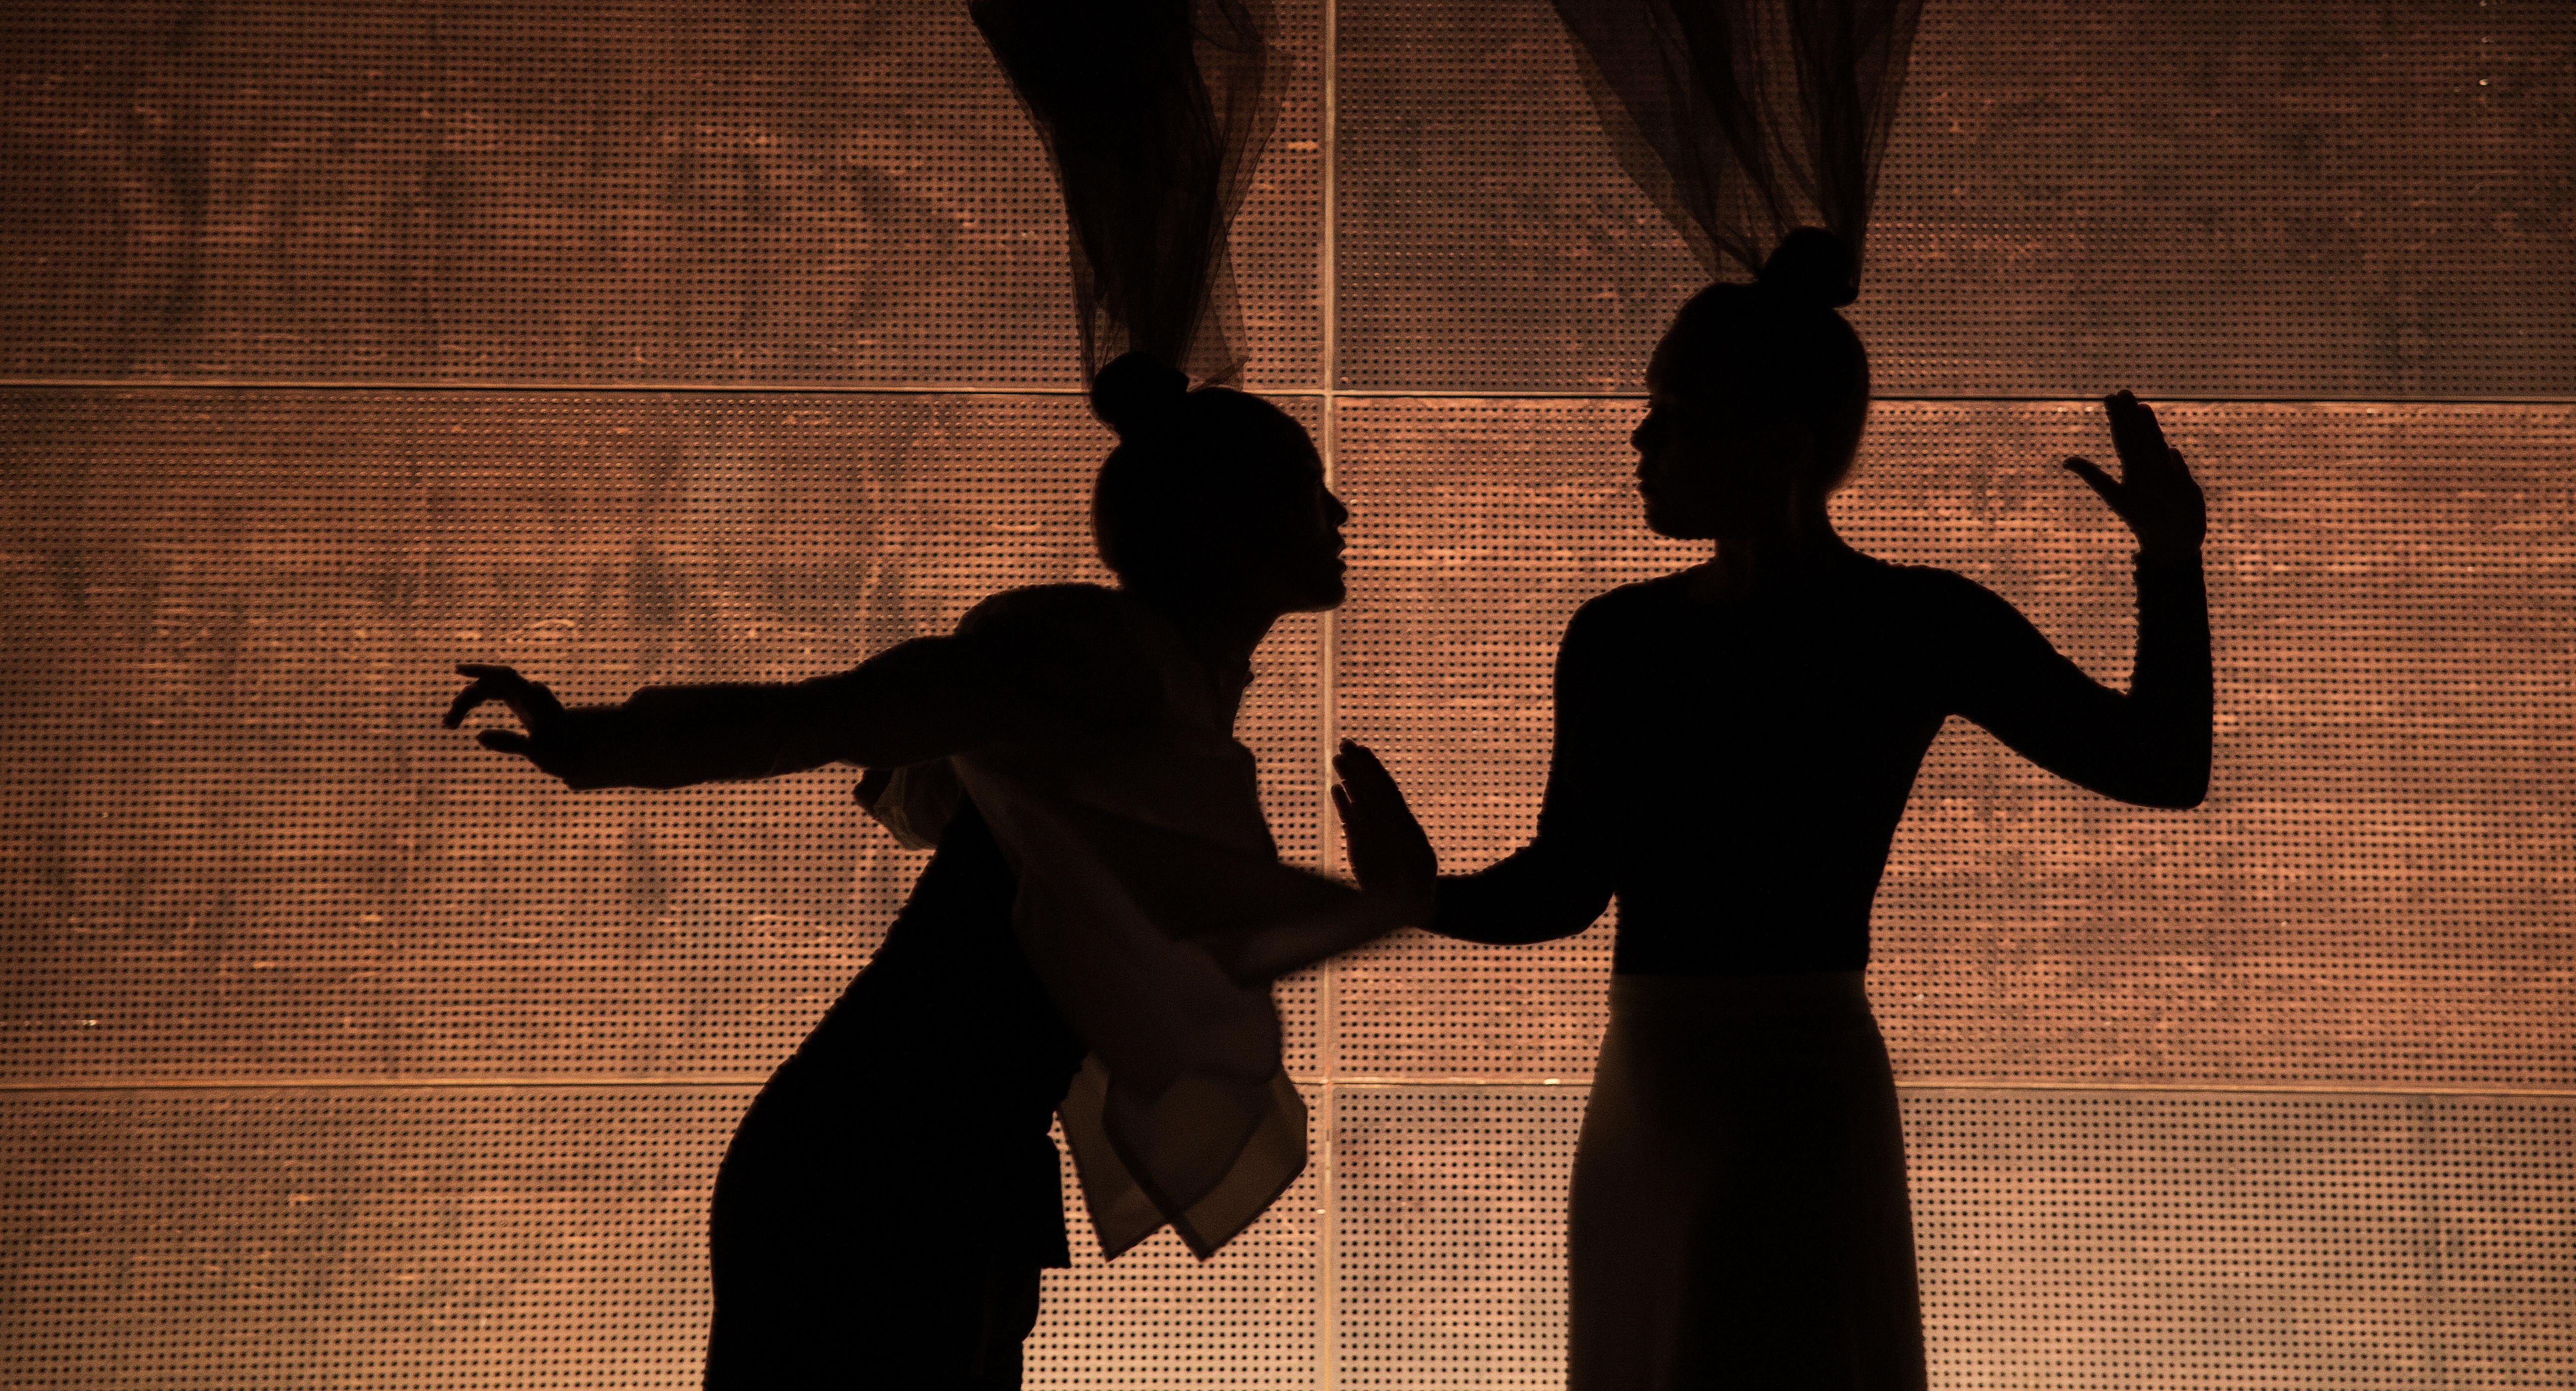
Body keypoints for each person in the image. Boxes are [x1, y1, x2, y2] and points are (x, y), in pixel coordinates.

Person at [1334, 227, 2214, 1391]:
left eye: (1674, 416)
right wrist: (1421, 899)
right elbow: (1569, 884)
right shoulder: (1883, 625)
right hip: (1702, 1082)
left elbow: (2160, 768)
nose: (1640, 442)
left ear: (1782, 447)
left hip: (1729, 1086)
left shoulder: (1650, 638)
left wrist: (2171, 559)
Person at [445, 353, 1409, 1390]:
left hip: (938, 1155)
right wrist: (603, 745)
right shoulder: (1100, 654)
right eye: (1306, 485)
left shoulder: (1162, 684)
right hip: (882, 1157)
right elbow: (837, 717)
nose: (1339, 511)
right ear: (1223, 517)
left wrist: (1410, 896)